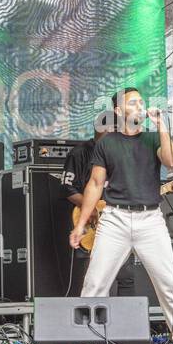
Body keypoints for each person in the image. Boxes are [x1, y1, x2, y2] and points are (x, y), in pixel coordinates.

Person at [69, 88, 173, 344]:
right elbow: (94, 184)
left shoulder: (152, 138)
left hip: (150, 219)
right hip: (114, 219)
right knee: (95, 282)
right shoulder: (107, 143)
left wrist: (162, 125)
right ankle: (87, 342)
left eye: (141, 101)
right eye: (132, 102)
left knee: (169, 281)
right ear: (118, 111)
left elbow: (172, 161)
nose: (139, 105)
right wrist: (81, 225)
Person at [61, 121, 136, 297]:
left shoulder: (121, 154)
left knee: (126, 275)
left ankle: (127, 322)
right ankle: (98, 320)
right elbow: (67, 188)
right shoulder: (79, 153)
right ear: (104, 130)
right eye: (116, 129)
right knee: (96, 276)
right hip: (93, 222)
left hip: (119, 219)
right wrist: (90, 208)